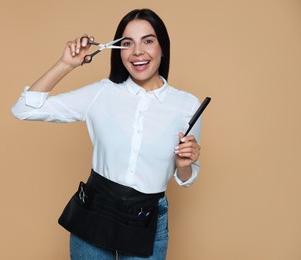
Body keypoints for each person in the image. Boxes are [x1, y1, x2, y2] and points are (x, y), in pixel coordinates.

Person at [12, 8, 202, 260]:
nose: (137, 52)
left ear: (162, 47)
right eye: (127, 43)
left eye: (148, 41)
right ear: (117, 50)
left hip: (147, 218)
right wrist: (65, 65)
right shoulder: (101, 93)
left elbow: (187, 176)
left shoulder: (187, 105)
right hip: (95, 209)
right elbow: (23, 109)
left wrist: (184, 165)